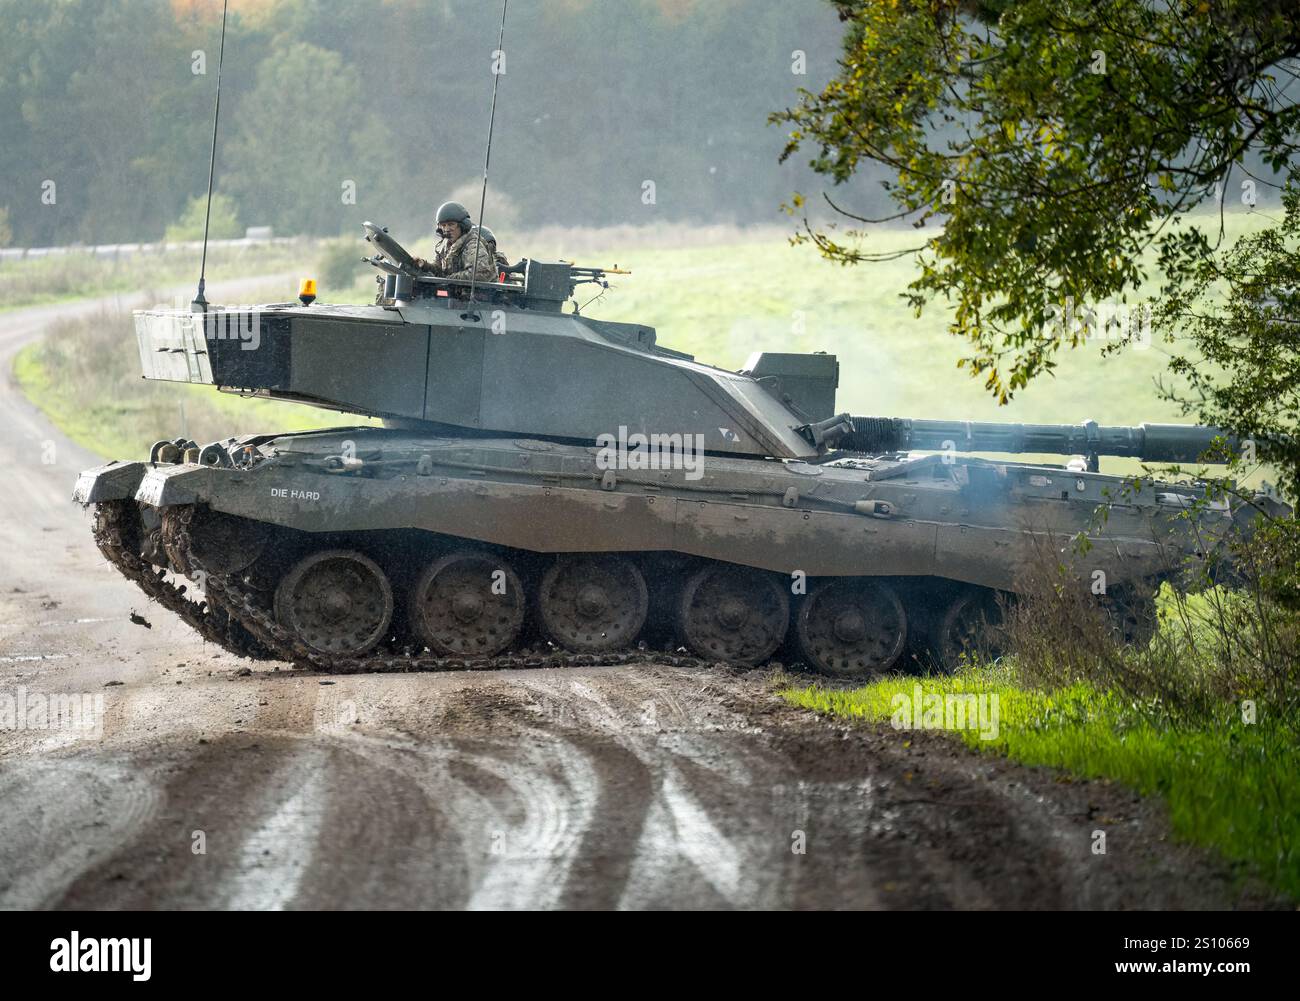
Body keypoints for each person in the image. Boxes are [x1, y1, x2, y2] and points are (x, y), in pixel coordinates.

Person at [414, 201, 502, 284]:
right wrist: (424, 265)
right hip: (457, 295)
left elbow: (480, 274)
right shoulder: (448, 246)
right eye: (443, 225)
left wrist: (448, 279)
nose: (447, 229)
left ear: (462, 225)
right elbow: (440, 269)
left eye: (451, 224)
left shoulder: (472, 245)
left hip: (480, 297)